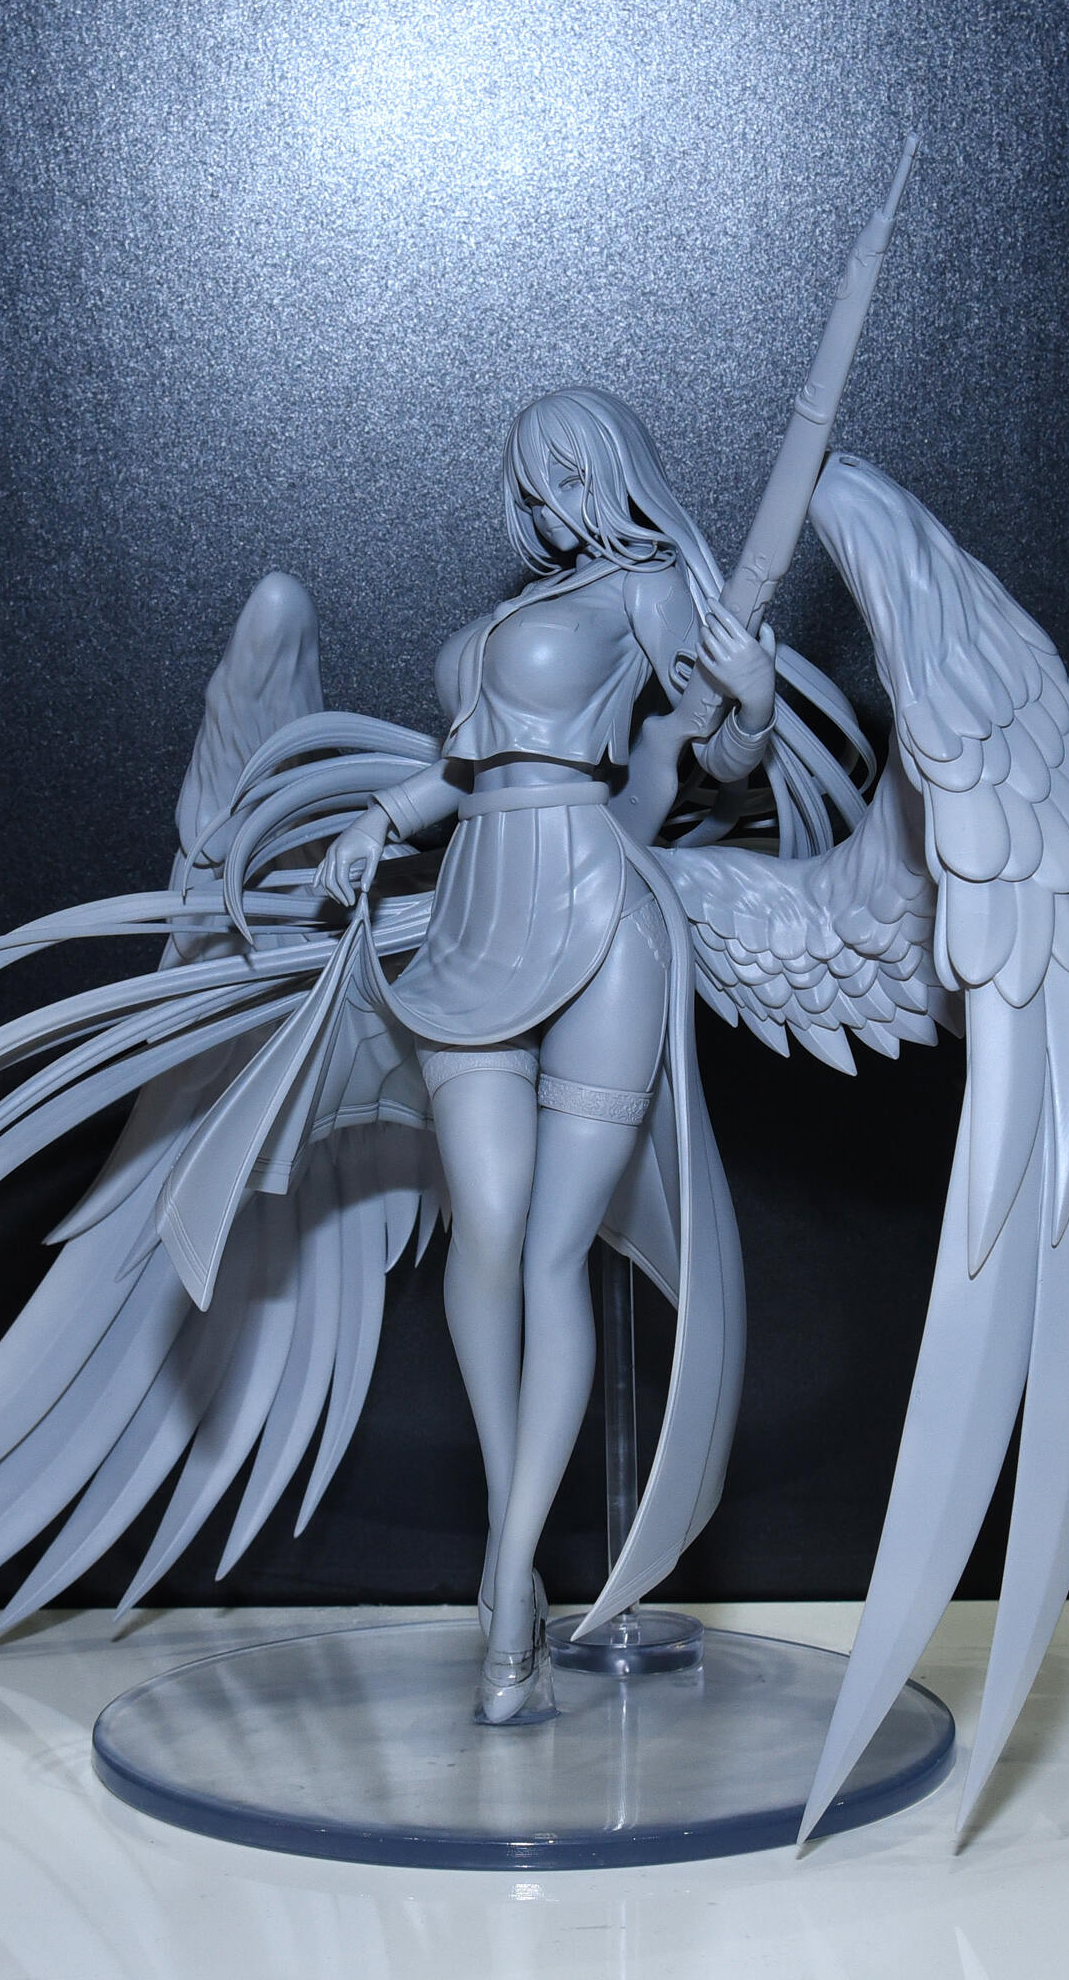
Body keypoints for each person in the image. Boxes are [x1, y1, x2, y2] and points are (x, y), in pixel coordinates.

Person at [314, 387, 779, 1720]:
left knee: (555, 1254)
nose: (546, 507)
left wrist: (750, 702)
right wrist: (380, 820)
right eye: (529, 487)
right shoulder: (517, 614)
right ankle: (510, 1556)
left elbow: (721, 754)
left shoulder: (646, 588)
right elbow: (468, 769)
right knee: (488, 1232)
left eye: (564, 478)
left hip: (599, 913)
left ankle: (509, 1578)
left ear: (607, 471)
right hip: (476, 913)